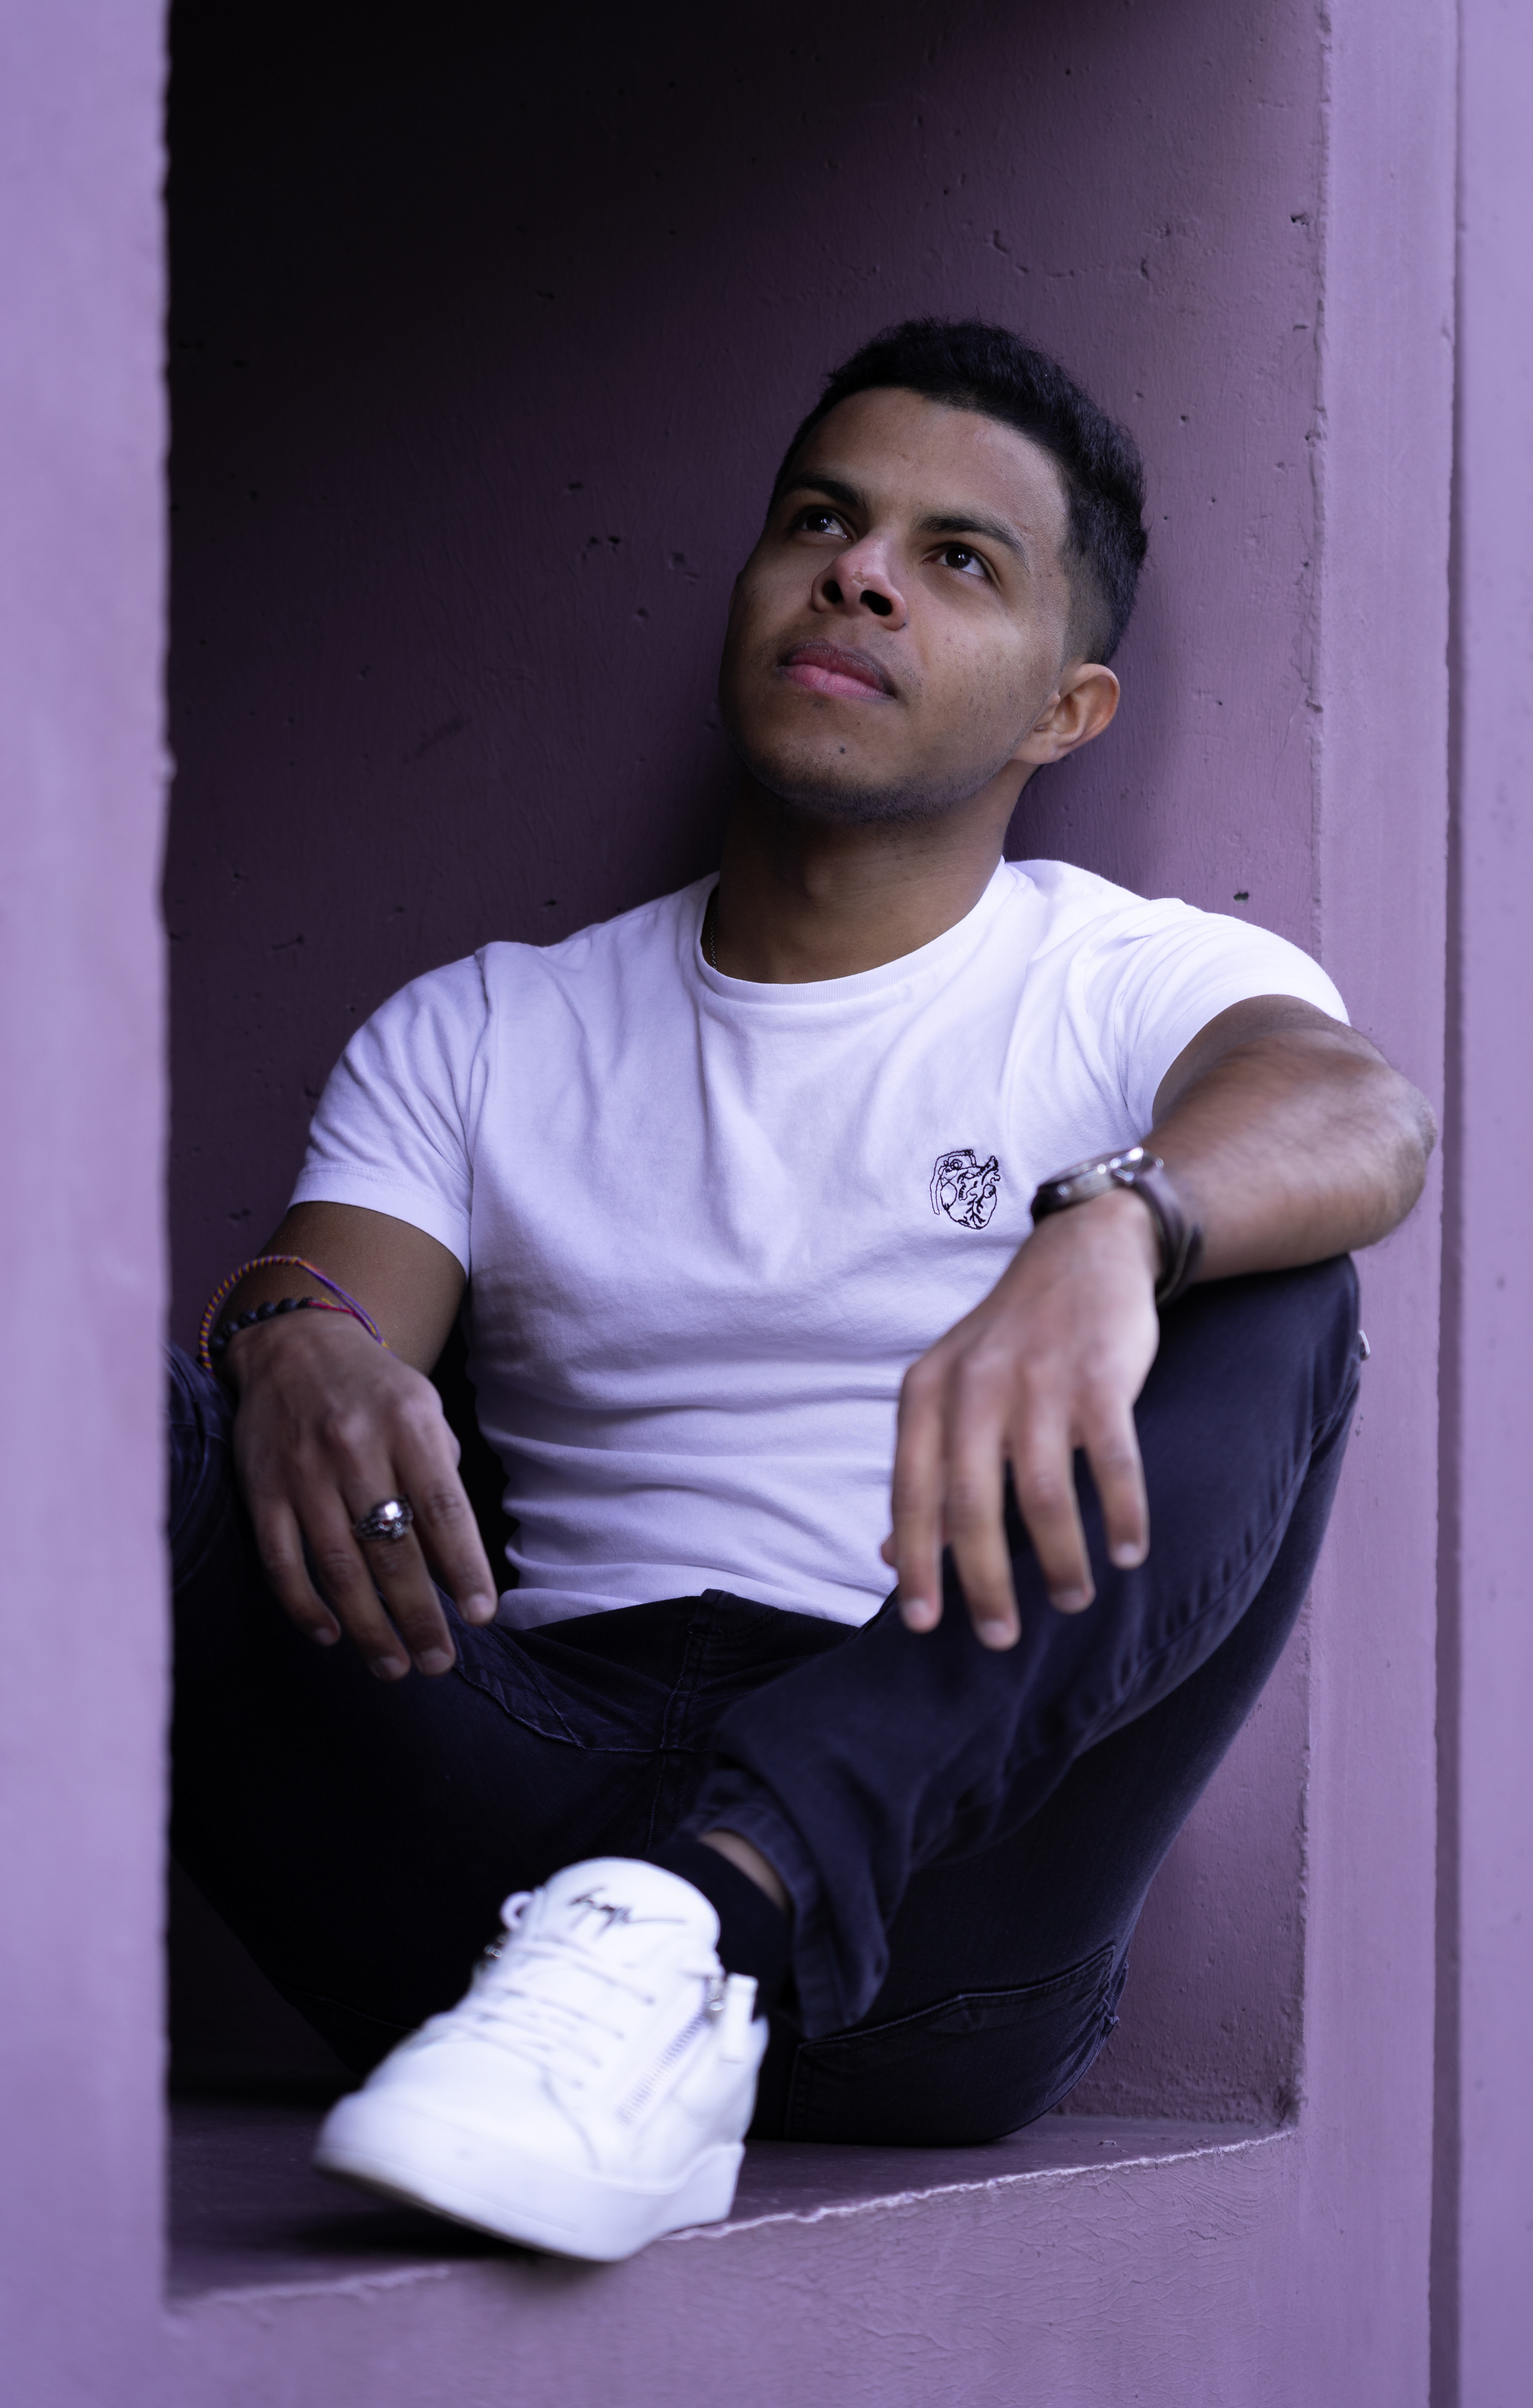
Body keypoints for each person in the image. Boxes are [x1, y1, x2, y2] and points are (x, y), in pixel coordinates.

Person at [168, 317, 1433, 2264]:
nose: (860, 575)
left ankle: (725, 1905)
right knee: (117, 1402)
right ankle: (625, 1963)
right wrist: (289, 1345)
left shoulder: (1129, 985)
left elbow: (1359, 1116)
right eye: (822, 523)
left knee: (1285, 1293)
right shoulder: (487, 1028)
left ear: (1066, 711)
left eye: (958, 558)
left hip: (936, 1887)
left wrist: (1115, 1223)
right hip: (511, 1832)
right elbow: (323, 1320)